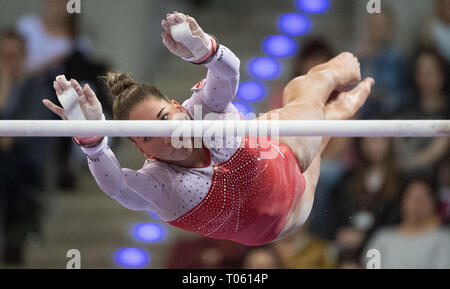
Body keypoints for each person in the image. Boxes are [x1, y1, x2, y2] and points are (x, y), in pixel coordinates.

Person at [42, 11, 374, 246]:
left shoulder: (201, 109)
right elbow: (117, 186)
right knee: (321, 125)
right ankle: (337, 109)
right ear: (142, 150)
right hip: (287, 216)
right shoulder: (160, 183)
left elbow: (227, 76)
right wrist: (93, 143)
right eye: (148, 137)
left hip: (279, 148)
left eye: (162, 119)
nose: (165, 134)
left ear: (176, 107)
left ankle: (328, 75)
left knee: (305, 96)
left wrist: (206, 51)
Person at [362, 177, 450, 269]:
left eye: (422, 198)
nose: (417, 204)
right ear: (402, 202)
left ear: (433, 203)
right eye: (412, 198)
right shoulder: (382, 238)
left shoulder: (444, 239)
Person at [394, 46, 449, 179]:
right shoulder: (405, 106)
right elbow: (396, 142)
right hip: (403, 170)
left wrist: (409, 164)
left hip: (433, 175)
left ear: (442, 74)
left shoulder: (447, 110)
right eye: (420, 72)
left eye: (429, 72)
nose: (424, 78)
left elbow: (439, 148)